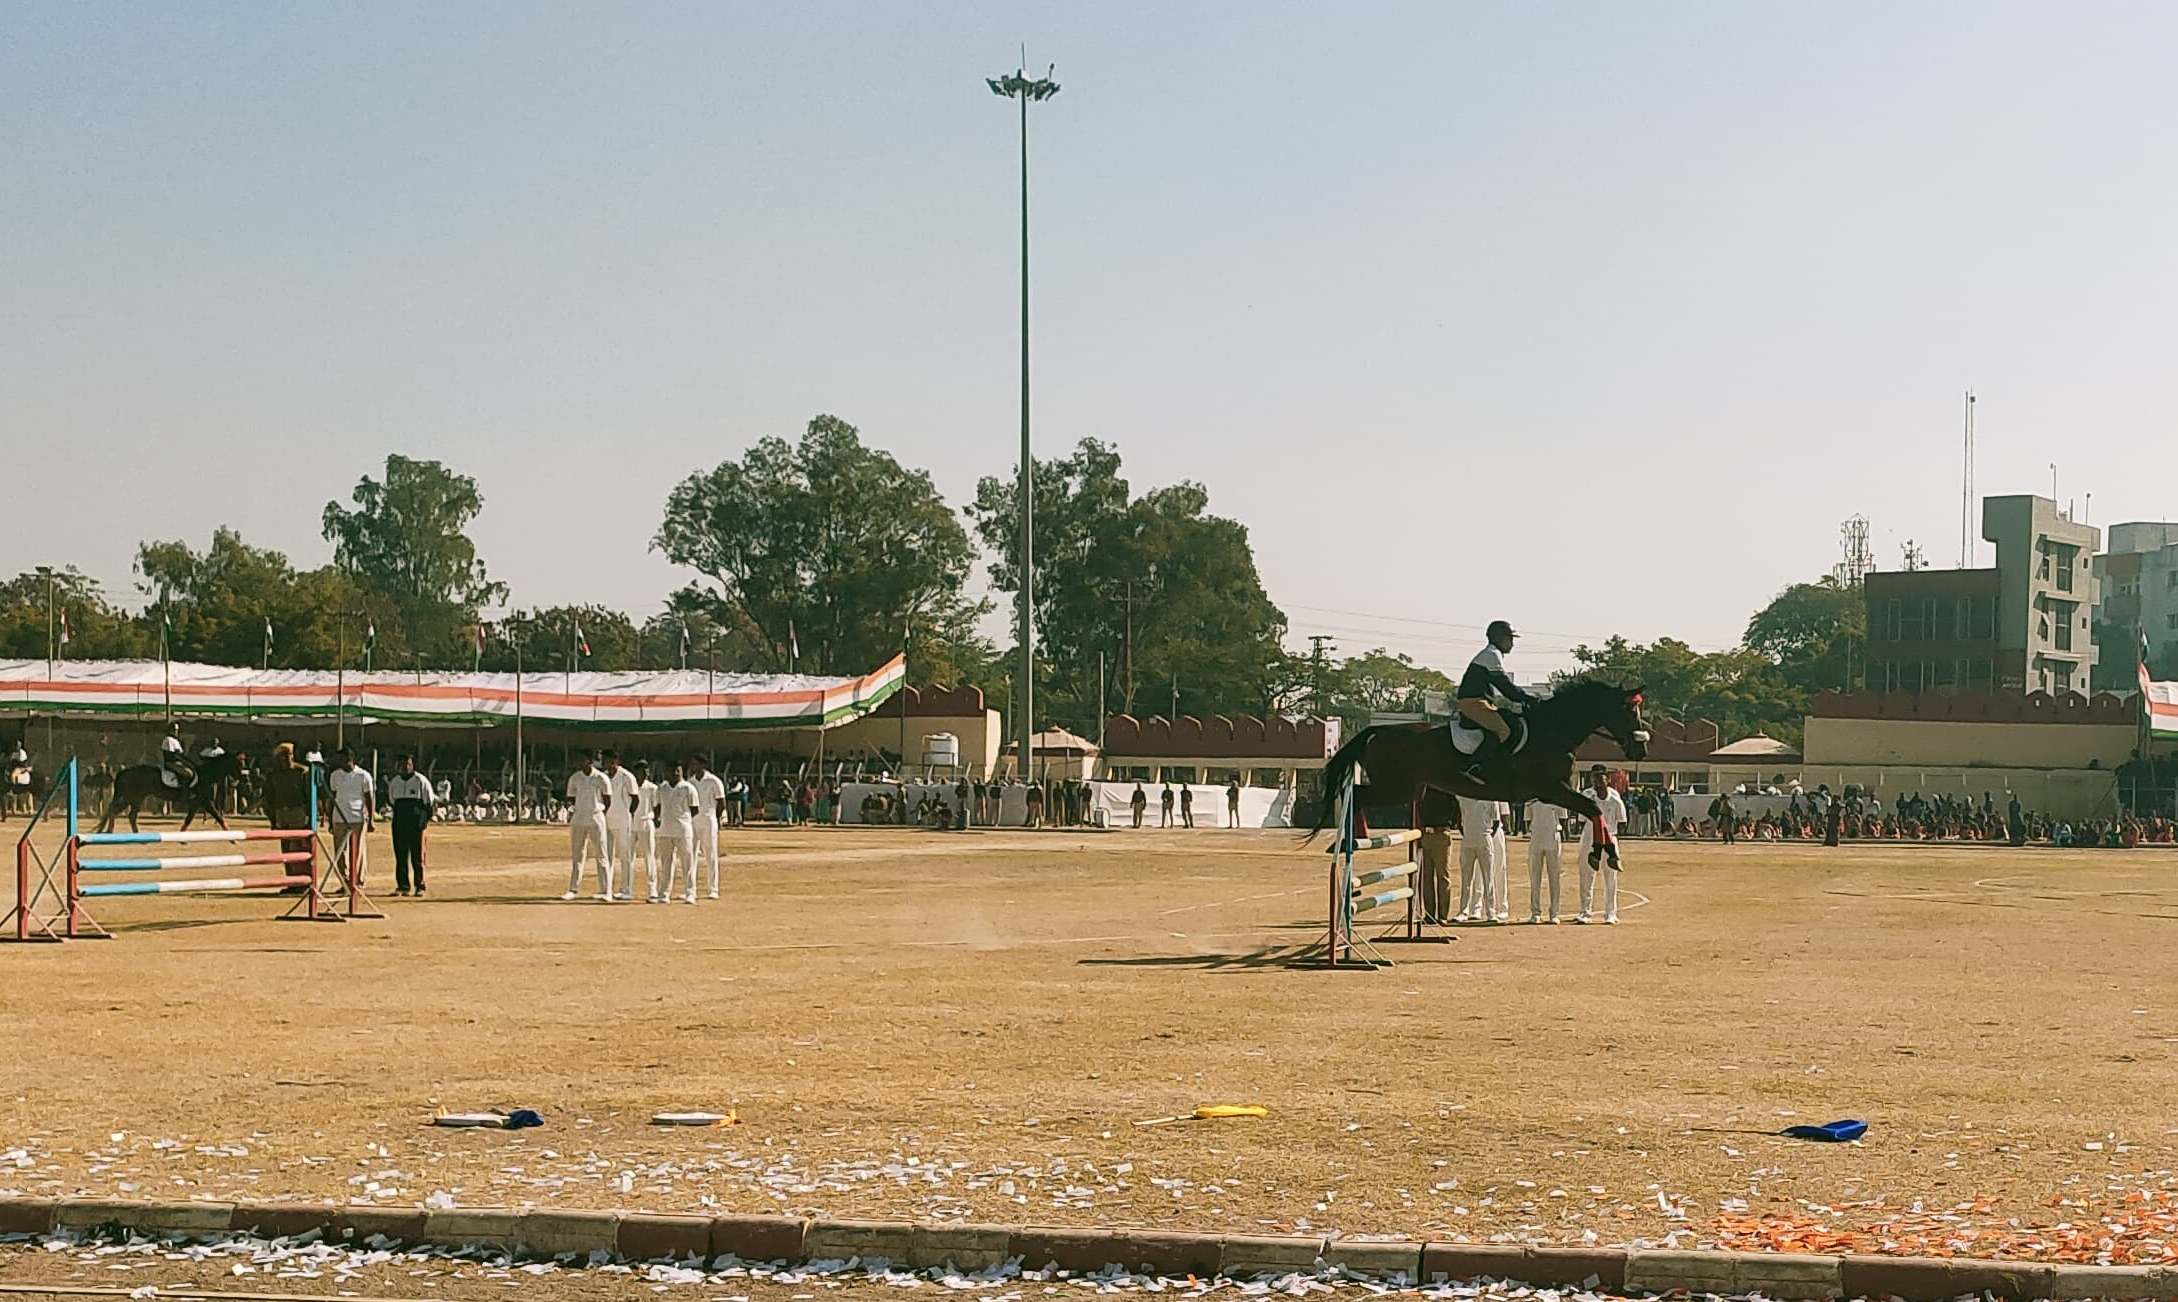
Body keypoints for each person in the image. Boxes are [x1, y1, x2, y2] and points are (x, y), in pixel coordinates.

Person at [1454, 620, 1541, 772]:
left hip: (1481, 702)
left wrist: (1525, 698)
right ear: (1500, 638)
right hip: (1473, 703)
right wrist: (1529, 698)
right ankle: (1474, 767)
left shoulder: (1492, 654)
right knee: (1503, 731)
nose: (1512, 644)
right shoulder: (1491, 655)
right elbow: (1507, 689)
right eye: (1510, 639)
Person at [1577, 766, 1627, 924]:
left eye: (1601, 779)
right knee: (1586, 876)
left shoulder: (1615, 798)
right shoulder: (1587, 796)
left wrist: (1611, 837)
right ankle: (1585, 912)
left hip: (1609, 839)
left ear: (1608, 780)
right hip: (1590, 838)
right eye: (1594, 779)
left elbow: (1622, 821)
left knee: (1610, 877)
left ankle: (1610, 913)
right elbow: (1581, 820)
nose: (1597, 783)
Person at [563, 752, 615, 902]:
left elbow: (607, 800)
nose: (579, 762)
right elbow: (571, 797)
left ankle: (606, 891)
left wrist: (597, 810)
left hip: (596, 817)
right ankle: (573, 889)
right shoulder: (575, 778)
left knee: (601, 855)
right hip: (579, 818)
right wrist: (579, 808)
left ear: (590, 761)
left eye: (582, 759)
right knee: (577, 855)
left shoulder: (601, 778)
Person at [261, 741, 314, 885]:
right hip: (281, 812)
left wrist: (310, 817)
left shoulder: (302, 772)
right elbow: (269, 797)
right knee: (286, 849)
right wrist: (272, 819)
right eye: (283, 756)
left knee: (300, 847)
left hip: (298, 811)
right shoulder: (274, 775)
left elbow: (309, 797)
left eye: (289, 755)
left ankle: (303, 880)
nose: (287, 759)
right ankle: (291, 880)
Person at [325, 748, 374, 889]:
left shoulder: (363, 775)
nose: (338, 762)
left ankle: (357, 881)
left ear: (349, 759)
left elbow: (369, 798)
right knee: (340, 851)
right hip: (339, 818)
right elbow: (332, 798)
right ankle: (345, 881)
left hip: (357, 817)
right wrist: (329, 818)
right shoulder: (335, 775)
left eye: (340, 759)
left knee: (358, 851)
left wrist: (370, 819)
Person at [386, 754, 434, 897]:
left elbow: (429, 803)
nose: (405, 767)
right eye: (402, 764)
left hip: (416, 824)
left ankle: (420, 885)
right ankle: (403, 886)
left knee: (417, 856)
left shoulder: (421, 781)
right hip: (400, 822)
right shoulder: (395, 782)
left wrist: (423, 822)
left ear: (412, 764)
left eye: (408, 764)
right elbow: (392, 801)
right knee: (400, 855)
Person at [653, 760, 700, 904]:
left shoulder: (688, 788)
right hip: (665, 830)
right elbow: (657, 807)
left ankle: (690, 893)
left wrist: (682, 820)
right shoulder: (662, 788)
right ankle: (664, 893)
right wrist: (659, 820)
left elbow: (694, 810)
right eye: (671, 770)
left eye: (677, 770)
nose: (674, 773)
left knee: (687, 863)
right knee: (666, 863)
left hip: (683, 830)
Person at [601, 750, 639, 901]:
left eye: (606, 760)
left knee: (625, 856)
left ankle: (626, 889)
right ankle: (607, 889)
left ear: (615, 761)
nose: (604, 763)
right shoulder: (603, 776)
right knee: (607, 856)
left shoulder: (626, 776)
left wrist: (627, 813)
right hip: (606, 820)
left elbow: (635, 799)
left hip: (623, 820)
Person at [1456, 795, 1498, 923]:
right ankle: (1463, 911)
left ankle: (1491, 912)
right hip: (1468, 839)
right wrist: (1466, 833)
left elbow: (1496, 821)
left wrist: (1488, 834)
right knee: (1466, 878)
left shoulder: (1490, 797)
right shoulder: (1463, 797)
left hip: (1484, 838)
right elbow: (1459, 818)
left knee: (1488, 877)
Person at [1526, 797, 1566, 924]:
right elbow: (1528, 820)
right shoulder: (1530, 800)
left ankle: (1554, 913)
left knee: (1554, 877)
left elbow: (1563, 819)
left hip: (1553, 837)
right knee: (1534, 877)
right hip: (1536, 838)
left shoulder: (1557, 796)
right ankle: (1535, 912)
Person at [624, 760, 658, 902]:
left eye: (646, 771)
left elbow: (656, 807)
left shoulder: (652, 788)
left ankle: (652, 890)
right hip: (631, 824)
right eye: (641, 771)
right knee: (628, 857)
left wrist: (655, 822)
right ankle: (627, 890)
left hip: (646, 822)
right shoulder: (629, 786)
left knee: (649, 856)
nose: (644, 774)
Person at [690, 757, 725, 900]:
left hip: (709, 820)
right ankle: (690, 889)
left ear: (703, 765)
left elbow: (721, 802)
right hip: (693, 821)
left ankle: (713, 888)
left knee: (710, 855)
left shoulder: (714, 781)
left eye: (695, 763)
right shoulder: (690, 782)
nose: (693, 766)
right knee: (690, 855)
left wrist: (716, 819)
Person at [1416, 820, 1453, 923]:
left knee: (1443, 876)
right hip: (1426, 834)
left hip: (1441, 833)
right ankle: (1429, 914)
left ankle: (1443, 915)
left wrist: (1449, 824)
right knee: (1426, 877)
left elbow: (1455, 811)